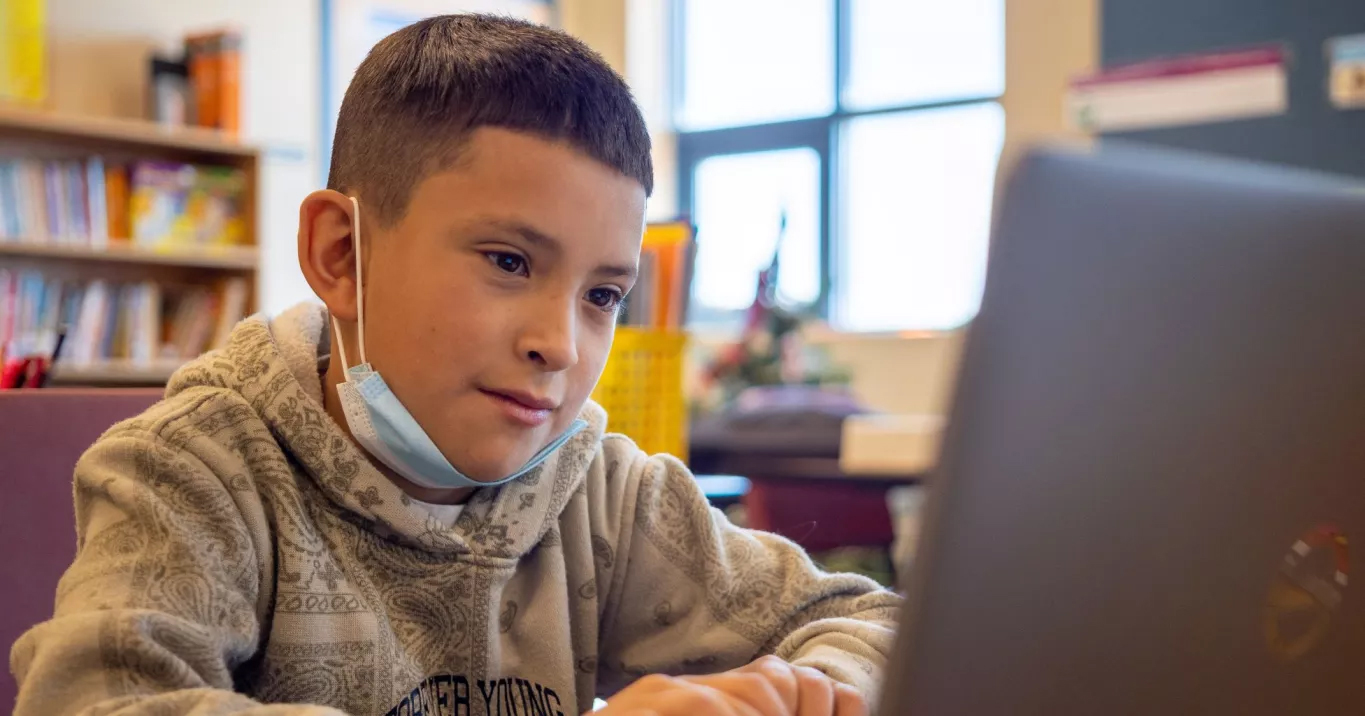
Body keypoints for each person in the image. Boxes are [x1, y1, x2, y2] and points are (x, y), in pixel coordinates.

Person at [9, 15, 898, 716]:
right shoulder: (190, 473)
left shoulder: (598, 493)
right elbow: (99, 703)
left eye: (602, 296)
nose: (560, 342)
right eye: (509, 262)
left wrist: (782, 690)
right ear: (340, 255)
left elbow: (876, 625)